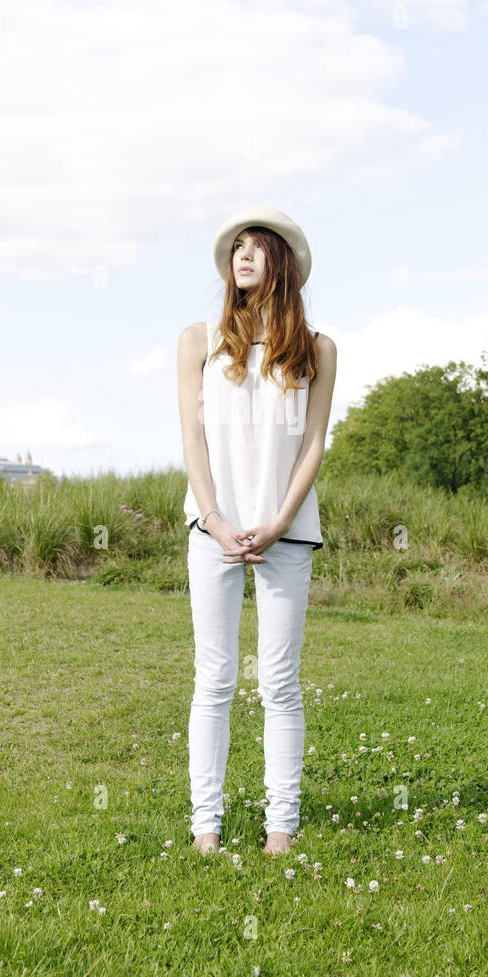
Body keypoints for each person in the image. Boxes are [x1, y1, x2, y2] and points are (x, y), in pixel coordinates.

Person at [177, 207, 337, 857]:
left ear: (283, 261)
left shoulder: (318, 349)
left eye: (256, 246)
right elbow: (192, 437)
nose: (242, 256)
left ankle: (281, 829)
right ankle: (205, 829)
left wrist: (276, 523)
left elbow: (315, 442)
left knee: (279, 682)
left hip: (285, 533)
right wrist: (215, 520)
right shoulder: (199, 340)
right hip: (211, 529)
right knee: (213, 680)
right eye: (235, 247)